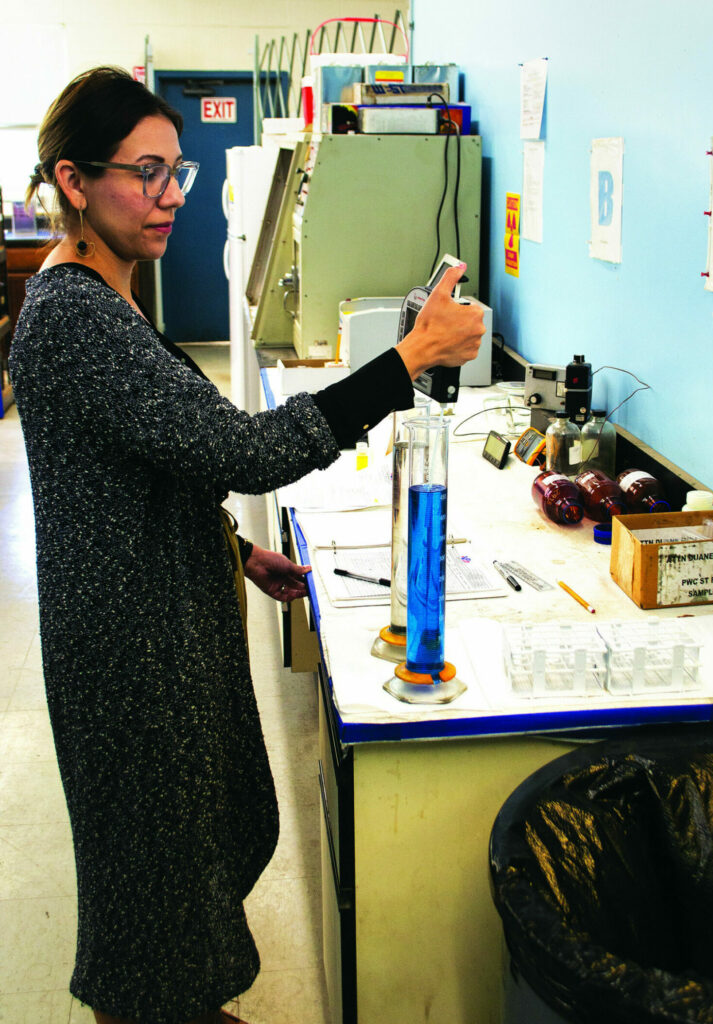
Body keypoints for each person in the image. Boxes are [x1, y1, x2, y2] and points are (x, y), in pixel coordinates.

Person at [10, 66, 484, 1024]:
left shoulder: (110, 300)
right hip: (129, 661)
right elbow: (244, 450)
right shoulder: (73, 316)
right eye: (144, 174)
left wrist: (228, 548)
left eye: (175, 171)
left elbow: (149, 463)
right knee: (150, 891)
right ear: (72, 181)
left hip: (159, 622)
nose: (169, 196)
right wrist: (405, 361)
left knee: (182, 872)